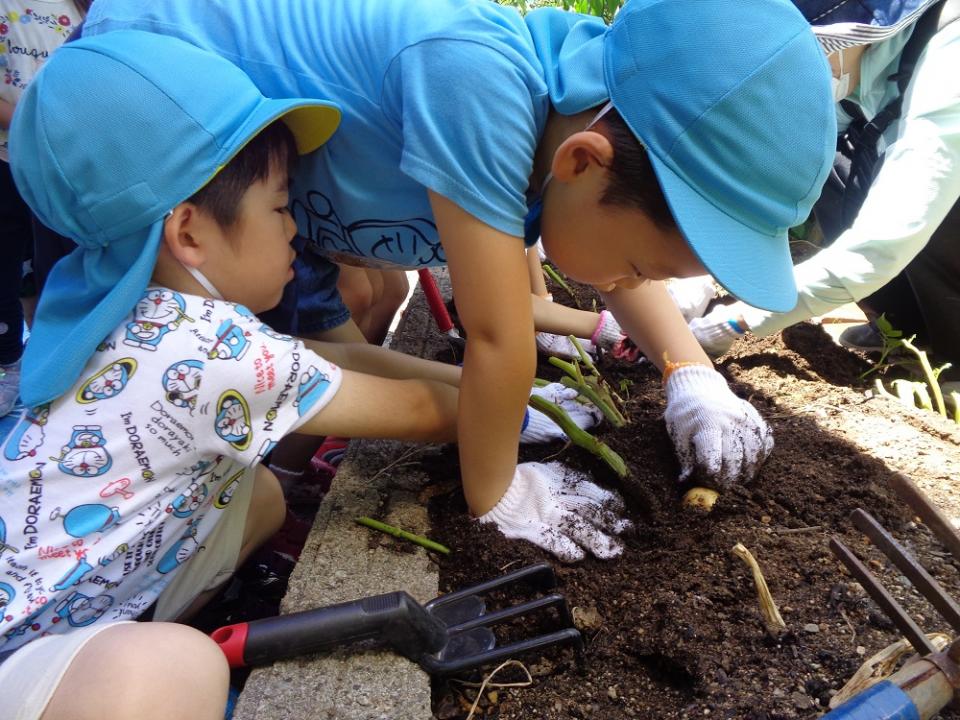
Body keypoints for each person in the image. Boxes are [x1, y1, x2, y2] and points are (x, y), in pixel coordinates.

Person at [0, 31, 630, 720]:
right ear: (189, 233)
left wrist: (521, 392)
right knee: (174, 670)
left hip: (61, 598)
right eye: (278, 205)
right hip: (18, 646)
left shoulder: (129, 310)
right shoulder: (213, 356)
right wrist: (509, 408)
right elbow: (423, 414)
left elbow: (332, 362)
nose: (295, 227)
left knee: (265, 496)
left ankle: (141, 635)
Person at [79, 0, 836, 511]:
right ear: (580, 162)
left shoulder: (580, 129)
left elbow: (617, 241)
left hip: (284, 200)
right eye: (639, 270)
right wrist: (501, 495)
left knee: (298, 365)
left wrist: (690, 372)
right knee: (176, 388)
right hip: (146, 132)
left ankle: (257, 502)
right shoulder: (478, 84)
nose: (625, 288)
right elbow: (499, 336)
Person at [690, 0, 960, 381]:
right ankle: (906, 328)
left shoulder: (951, 52)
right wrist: (697, 265)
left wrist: (740, 319)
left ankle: (955, 361)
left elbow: (887, 240)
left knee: (931, 204)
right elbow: (773, 167)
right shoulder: (858, 64)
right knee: (831, 158)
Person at [0, 0, 88, 416]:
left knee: (60, 271)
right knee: (10, 272)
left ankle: (56, 365)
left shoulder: (99, 13)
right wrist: (31, 119)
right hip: (8, 161)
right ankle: (12, 363)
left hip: (69, 167)